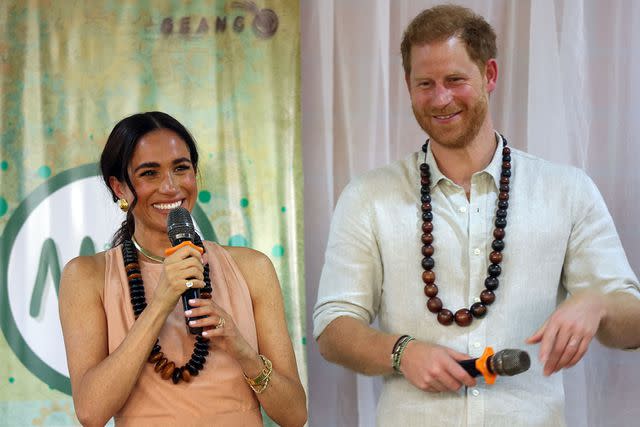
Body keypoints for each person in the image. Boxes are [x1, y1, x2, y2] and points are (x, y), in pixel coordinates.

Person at [313, 5, 640, 426]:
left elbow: (632, 325)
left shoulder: (567, 190)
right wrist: (402, 352)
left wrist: (596, 303)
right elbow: (333, 329)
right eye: (424, 84)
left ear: (489, 75)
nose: (440, 98)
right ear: (407, 85)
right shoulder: (367, 196)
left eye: (455, 80)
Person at [59, 111, 307, 427]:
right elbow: (91, 412)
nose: (171, 186)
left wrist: (242, 349)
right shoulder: (86, 276)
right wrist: (161, 301)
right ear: (119, 188)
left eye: (181, 168)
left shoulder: (252, 268)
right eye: (150, 173)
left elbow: (295, 414)